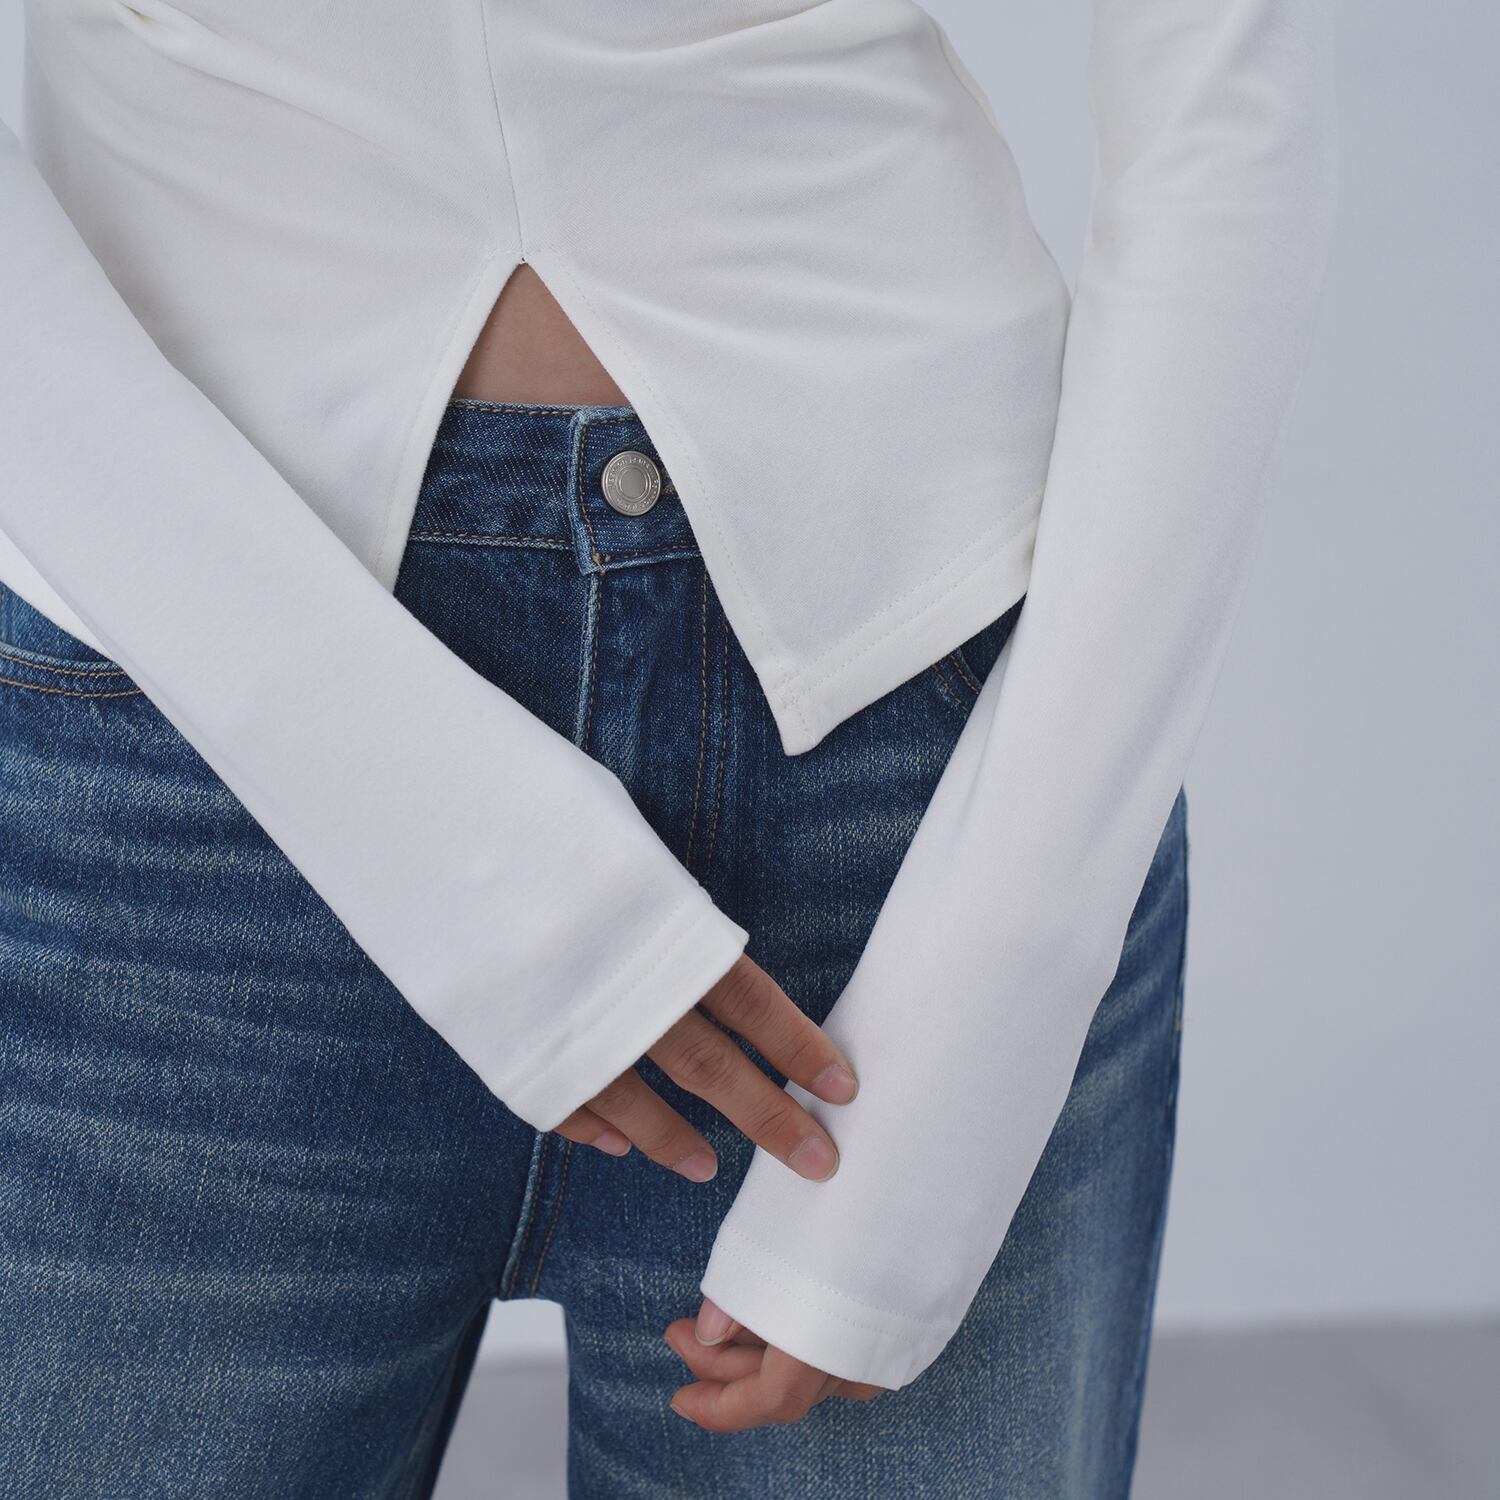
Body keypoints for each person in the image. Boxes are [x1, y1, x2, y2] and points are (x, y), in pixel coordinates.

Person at [0, 0, 1337, 1494]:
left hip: (910, 754)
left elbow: (1226, 88)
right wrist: (397, 800)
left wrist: (999, 986)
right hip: (176, 739)